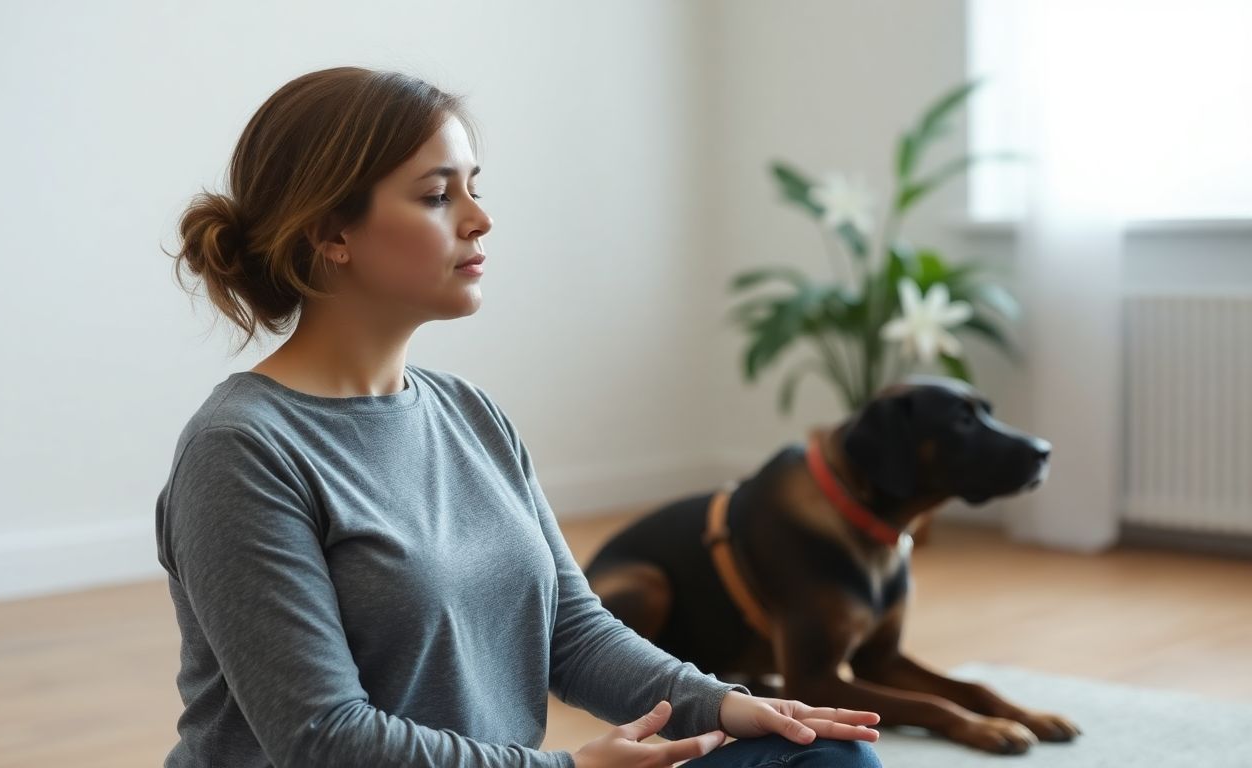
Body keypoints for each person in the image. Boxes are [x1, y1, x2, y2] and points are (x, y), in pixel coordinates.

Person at [157, 65, 885, 768]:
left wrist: (722, 704)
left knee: (823, 753)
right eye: (438, 196)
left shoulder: (471, 414)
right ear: (330, 233)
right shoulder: (241, 452)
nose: (481, 219)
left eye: (473, 188)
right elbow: (322, 740)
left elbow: (571, 633)